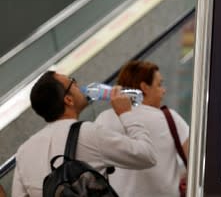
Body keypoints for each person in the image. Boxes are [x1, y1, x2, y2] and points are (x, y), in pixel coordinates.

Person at [12, 71, 158, 197]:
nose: (79, 85)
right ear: (68, 100)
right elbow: (147, 156)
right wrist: (126, 114)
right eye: (72, 82)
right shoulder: (88, 133)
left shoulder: (23, 152)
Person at [95, 60, 189, 197]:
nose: (164, 90)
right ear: (144, 87)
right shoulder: (170, 118)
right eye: (159, 85)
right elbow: (196, 160)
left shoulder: (103, 120)